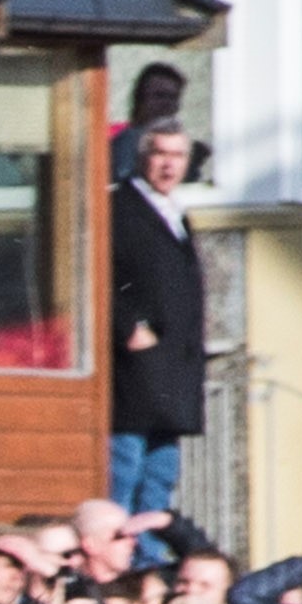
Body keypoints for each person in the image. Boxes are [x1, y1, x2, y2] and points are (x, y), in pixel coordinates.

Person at [111, 124, 208, 526]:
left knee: (160, 474)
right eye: (160, 154)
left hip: (173, 367)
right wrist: (128, 327)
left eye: (178, 156)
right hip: (135, 368)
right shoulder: (120, 208)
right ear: (142, 156)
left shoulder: (176, 212)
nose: (169, 165)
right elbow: (99, 276)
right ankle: (116, 554)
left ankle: (147, 557)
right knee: (125, 467)